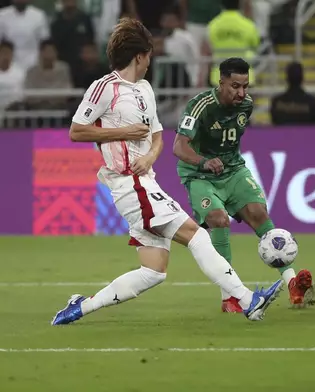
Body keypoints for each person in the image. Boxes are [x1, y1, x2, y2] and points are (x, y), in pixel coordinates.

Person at [51, 18, 282, 326]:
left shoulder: (145, 89)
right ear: (138, 56)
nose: (150, 62)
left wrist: (148, 156)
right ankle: (247, 300)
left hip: (145, 179)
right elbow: (76, 131)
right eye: (148, 56)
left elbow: (158, 136)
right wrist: (122, 132)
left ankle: (79, 307)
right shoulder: (105, 88)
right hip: (129, 185)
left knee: (153, 271)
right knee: (198, 236)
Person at [173, 58, 314, 312]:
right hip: (200, 174)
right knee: (218, 219)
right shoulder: (200, 105)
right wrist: (203, 161)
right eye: (235, 86)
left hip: (233, 170)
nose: (241, 93)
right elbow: (178, 147)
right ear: (221, 82)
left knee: (259, 214)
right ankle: (229, 297)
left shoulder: (246, 106)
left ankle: (292, 283)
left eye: (245, 86)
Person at [206, 0, 259, 87]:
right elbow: (255, 46)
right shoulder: (249, 25)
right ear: (239, 4)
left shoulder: (213, 25)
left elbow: (209, 48)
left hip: (219, 76)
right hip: (244, 76)